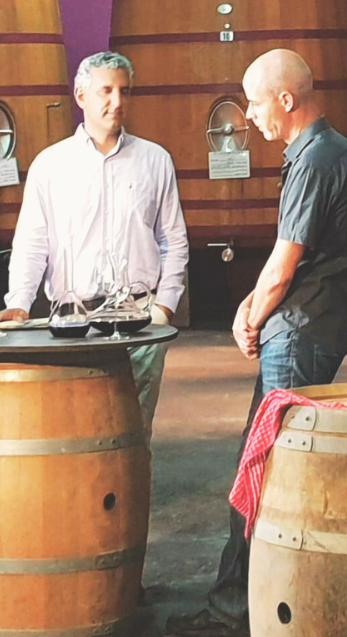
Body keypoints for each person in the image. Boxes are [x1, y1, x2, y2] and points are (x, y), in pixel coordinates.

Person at [168, 48, 347, 637]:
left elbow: (285, 265)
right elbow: (292, 256)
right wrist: (252, 306)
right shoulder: (331, 151)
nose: (248, 114)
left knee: (268, 475)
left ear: (286, 99)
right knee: (268, 466)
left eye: (254, 101)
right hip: (310, 329)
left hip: (298, 337)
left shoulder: (315, 160)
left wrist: (250, 317)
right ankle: (247, 604)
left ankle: (241, 612)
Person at [0, 50, 188, 458]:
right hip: (73, 321)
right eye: (106, 90)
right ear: (80, 96)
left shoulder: (155, 161)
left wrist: (166, 306)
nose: (117, 101)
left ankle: (132, 502)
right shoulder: (51, 165)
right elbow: (32, 242)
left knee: (134, 433)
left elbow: (173, 239)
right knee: (75, 434)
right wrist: (19, 302)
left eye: (124, 91)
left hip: (139, 320)